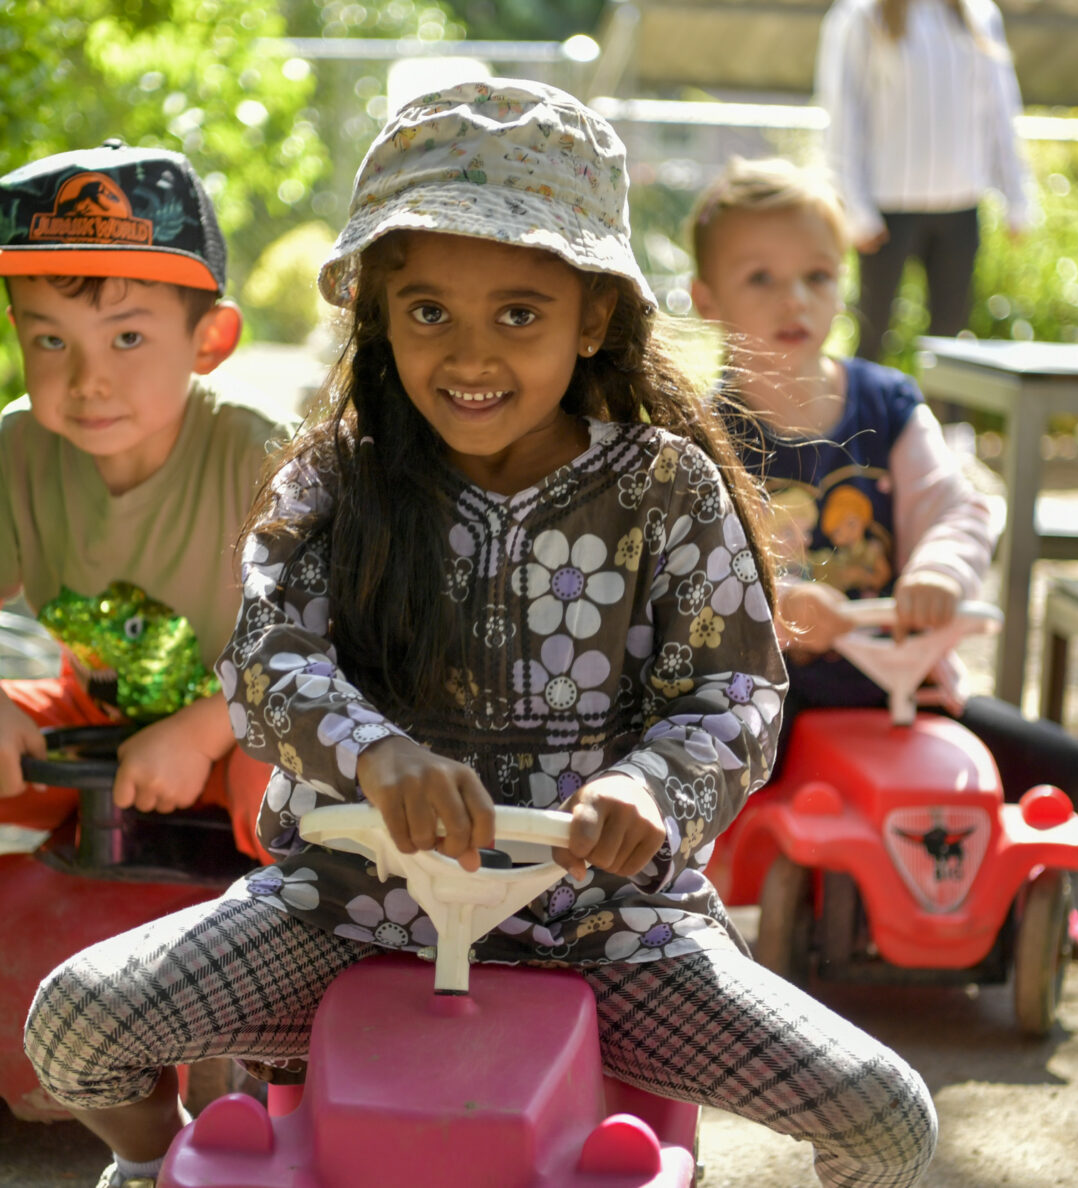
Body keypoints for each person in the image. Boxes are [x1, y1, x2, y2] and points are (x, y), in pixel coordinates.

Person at [25, 83, 937, 1188]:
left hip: (616, 935)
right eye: (427, 313)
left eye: (518, 313)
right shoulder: (337, 480)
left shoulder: (664, 490)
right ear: (378, 310)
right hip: (342, 914)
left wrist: (651, 788)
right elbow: (268, 662)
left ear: (592, 315)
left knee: (888, 1120)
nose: (470, 355)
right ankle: (162, 1162)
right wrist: (376, 751)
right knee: (72, 1026)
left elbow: (735, 698)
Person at [689, 153, 1078, 810]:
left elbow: (958, 509)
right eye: (761, 278)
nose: (796, 299)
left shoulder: (888, 407)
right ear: (706, 299)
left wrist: (938, 573)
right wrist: (774, 603)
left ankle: (1023, 905)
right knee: (684, 792)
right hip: (762, 706)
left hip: (900, 692)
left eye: (817, 275)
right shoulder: (703, 434)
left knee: (1055, 766)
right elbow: (691, 565)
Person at [0, 140, 292, 862]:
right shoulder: (18, 450)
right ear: (16, 335)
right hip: (94, 719)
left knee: (281, 791)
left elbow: (335, 640)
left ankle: (284, 944)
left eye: (127, 336)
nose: (88, 379)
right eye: (51, 339)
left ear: (210, 340)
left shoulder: (256, 455)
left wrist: (203, 729)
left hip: (248, 723)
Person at [815, 0, 1032, 360]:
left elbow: (1000, 111)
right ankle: (868, 415)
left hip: (960, 208)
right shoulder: (861, 16)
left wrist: (1018, 198)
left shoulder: (980, 15)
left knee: (951, 339)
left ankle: (946, 417)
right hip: (887, 211)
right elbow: (843, 115)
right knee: (873, 331)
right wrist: (855, 209)